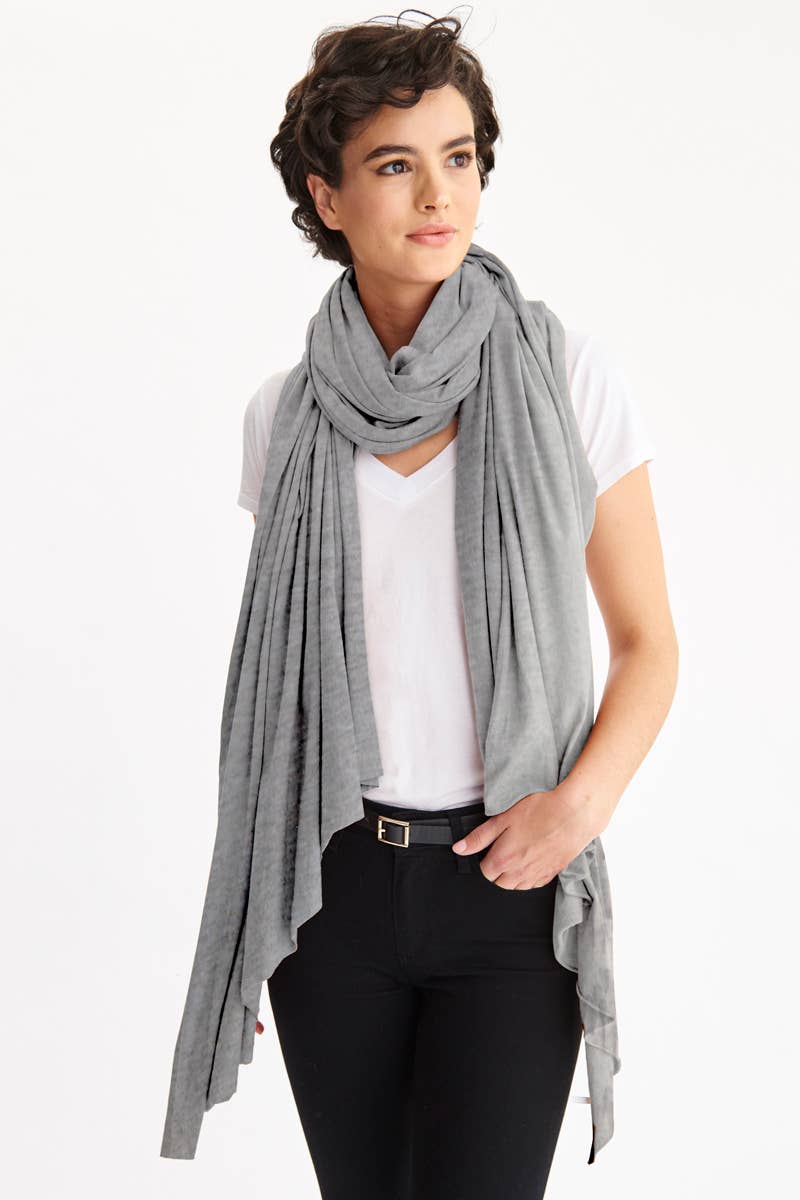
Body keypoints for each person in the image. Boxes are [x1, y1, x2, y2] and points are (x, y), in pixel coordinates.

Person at [161, 11, 678, 1198]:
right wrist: (260, 901)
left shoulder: (564, 378)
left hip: (508, 887)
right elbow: (285, 692)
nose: (439, 194)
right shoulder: (284, 416)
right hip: (330, 890)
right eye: (395, 164)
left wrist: (574, 812)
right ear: (327, 197)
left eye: (459, 157)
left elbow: (648, 644)